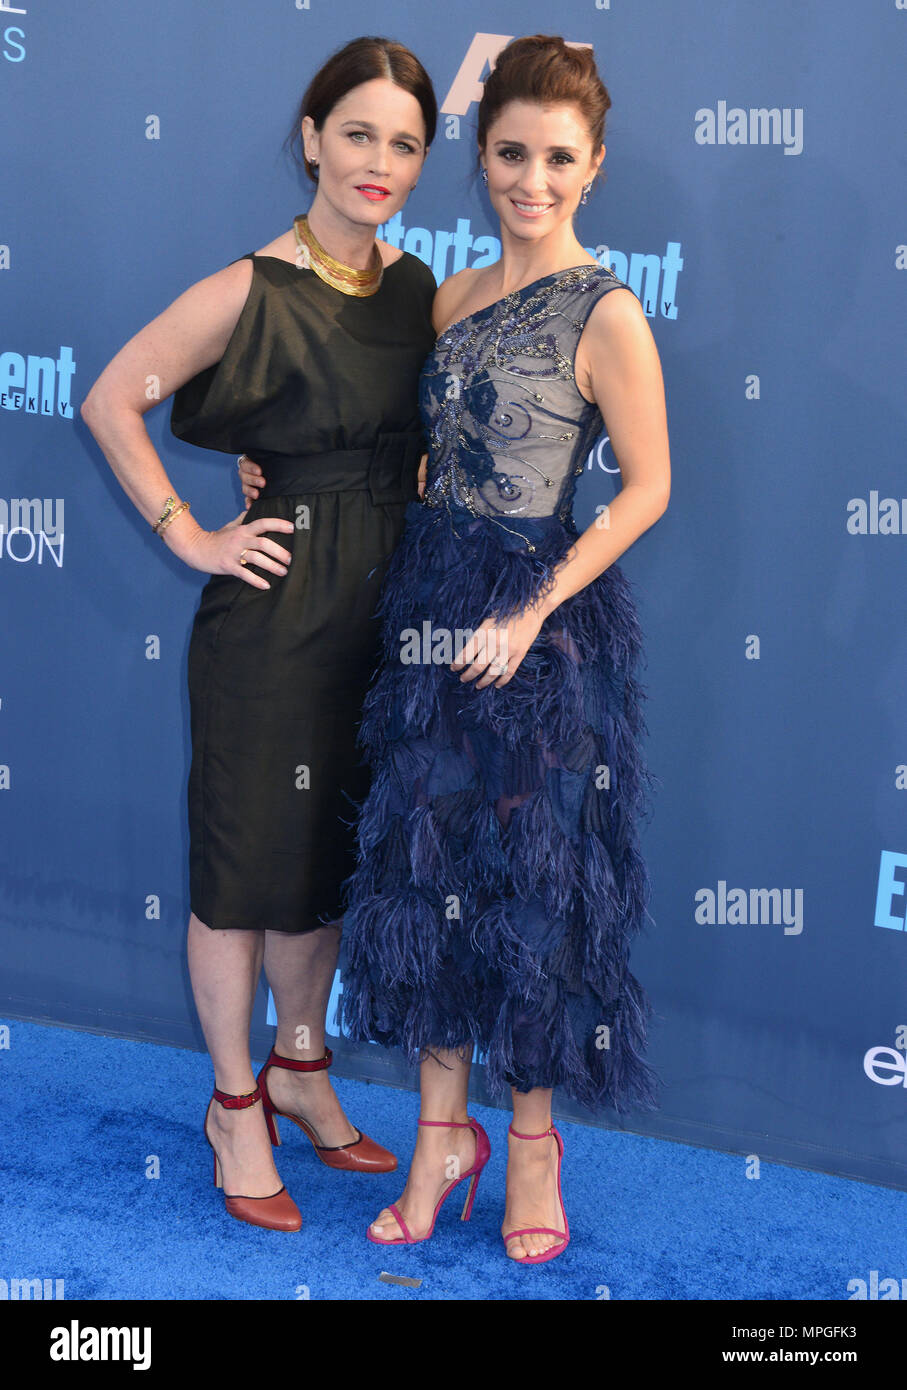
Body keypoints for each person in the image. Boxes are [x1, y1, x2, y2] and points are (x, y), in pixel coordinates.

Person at [241, 32, 671, 1263]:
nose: (529, 179)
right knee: (427, 877)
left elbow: (645, 488)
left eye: (556, 158)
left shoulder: (607, 310)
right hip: (426, 605)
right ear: (481, 158)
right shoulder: (450, 295)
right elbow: (414, 459)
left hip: (536, 627)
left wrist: (532, 609)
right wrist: (281, 461)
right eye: (508, 153)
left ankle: (529, 1143)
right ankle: (440, 1134)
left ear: (592, 167)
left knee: (528, 890)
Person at [80, 36, 439, 1231]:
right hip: (271, 623)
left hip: (378, 623)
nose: (378, 161)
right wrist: (192, 534)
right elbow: (112, 396)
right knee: (240, 879)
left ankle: (300, 1068)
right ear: (311, 138)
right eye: (358, 134)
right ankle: (234, 1101)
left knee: (318, 873)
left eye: (403, 142)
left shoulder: (415, 291)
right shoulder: (250, 285)